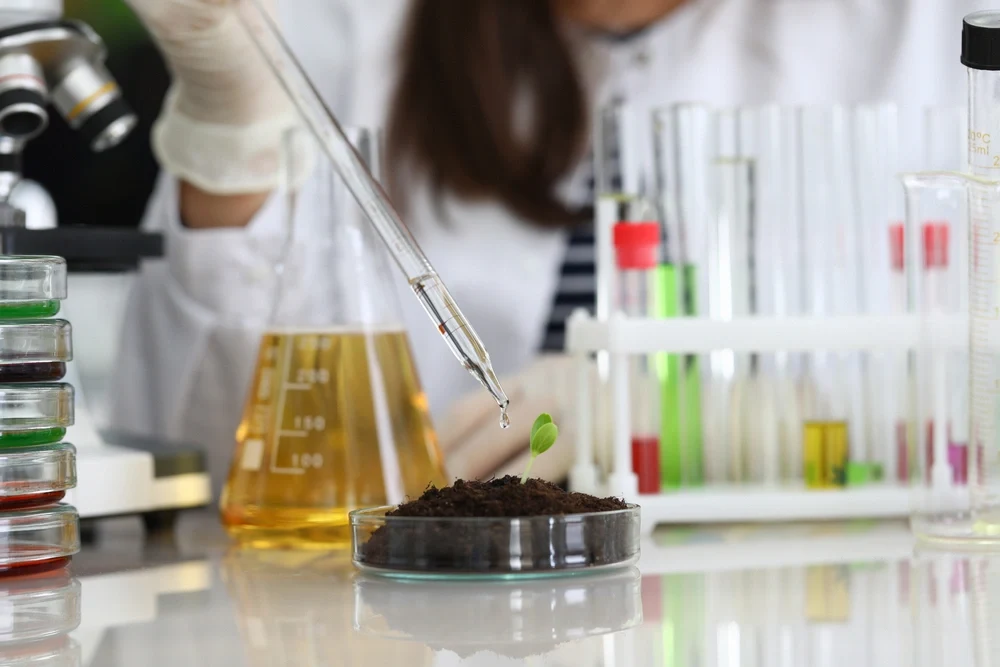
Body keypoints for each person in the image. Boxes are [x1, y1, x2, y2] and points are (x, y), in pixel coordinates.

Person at [111, 0, 979, 495]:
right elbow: (200, 469)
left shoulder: (944, 35)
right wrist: (231, 142)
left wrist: (715, 427)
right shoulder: (342, 26)